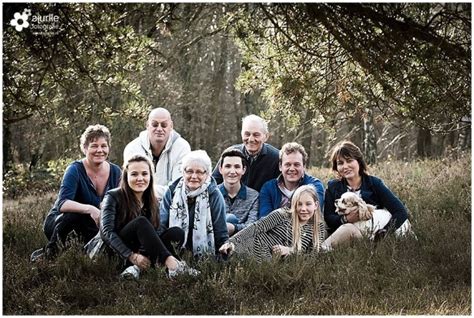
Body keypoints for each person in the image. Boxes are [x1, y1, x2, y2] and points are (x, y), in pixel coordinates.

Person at [30, 124, 121, 262]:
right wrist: (90, 209)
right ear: (84, 148)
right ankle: (49, 254)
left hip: (93, 224)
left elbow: (120, 202)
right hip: (61, 222)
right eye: (94, 146)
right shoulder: (74, 170)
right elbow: (62, 203)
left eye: (104, 146)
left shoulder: (116, 172)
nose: (99, 150)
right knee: (73, 215)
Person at [100, 154, 197, 279]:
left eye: (144, 174)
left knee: (176, 233)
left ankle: (138, 269)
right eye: (134, 174)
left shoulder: (153, 201)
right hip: (118, 252)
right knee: (141, 222)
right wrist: (131, 255)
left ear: (150, 177)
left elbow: (155, 232)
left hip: (142, 251)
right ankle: (173, 266)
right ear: (126, 176)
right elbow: (106, 233)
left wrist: (147, 251)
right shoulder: (113, 196)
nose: (140, 178)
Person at [322, 140, 412, 250]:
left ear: (359, 161)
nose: (345, 166)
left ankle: (320, 251)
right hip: (341, 233)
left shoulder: (374, 184)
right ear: (336, 167)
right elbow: (329, 217)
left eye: (349, 161)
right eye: (340, 163)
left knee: (349, 228)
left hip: (368, 238)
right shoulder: (333, 186)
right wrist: (346, 219)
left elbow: (400, 211)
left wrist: (384, 233)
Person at [219, 185, 326, 263]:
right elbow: (256, 227)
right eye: (299, 204)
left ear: (316, 205)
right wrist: (231, 241)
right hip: (253, 246)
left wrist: (291, 251)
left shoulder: (318, 227)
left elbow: (313, 256)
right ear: (294, 205)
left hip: (273, 262)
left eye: (308, 204)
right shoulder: (283, 214)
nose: (303, 209)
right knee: (226, 260)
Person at [159, 150, 229, 257]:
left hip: (204, 256)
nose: (194, 176)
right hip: (173, 251)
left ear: (207, 174)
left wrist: (224, 248)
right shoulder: (172, 191)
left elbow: (221, 232)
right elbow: (162, 225)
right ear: (183, 172)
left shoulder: (214, 194)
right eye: (189, 171)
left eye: (200, 172)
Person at [123, 107, 191, 199]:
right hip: (139, 203)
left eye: (164, 125)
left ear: (171, 126)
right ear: (147, 125)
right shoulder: (133, 148)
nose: (159, 129)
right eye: (154, 124)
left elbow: (178, 188)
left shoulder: (182, 147)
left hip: (171, 205)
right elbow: (131, 186)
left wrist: (145, 190)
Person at [212, 114, 279, 192]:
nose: (251, 139)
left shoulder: (275, 158)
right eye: (247, 134)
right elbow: (213, 183)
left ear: (266, 136)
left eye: (256, 135)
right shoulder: (231, 154)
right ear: (241, 134)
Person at [259, 142, 325, 219]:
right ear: (280, 166)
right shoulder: (268, 188)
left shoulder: (314, 186)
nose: (292, 169)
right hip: (275, 231)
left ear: (304, 166)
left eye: (296, 164)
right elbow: (264, 219)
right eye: (287, 164)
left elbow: (312, 216)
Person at [217, 148, 259, 236]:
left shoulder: (254, 196)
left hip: (242, 242)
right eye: (228, 166)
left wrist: (234, 228)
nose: (232, 172)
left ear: (243, 170)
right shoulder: (212, 194)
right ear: (221, 169)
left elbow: (253, 226)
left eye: (237, 167)